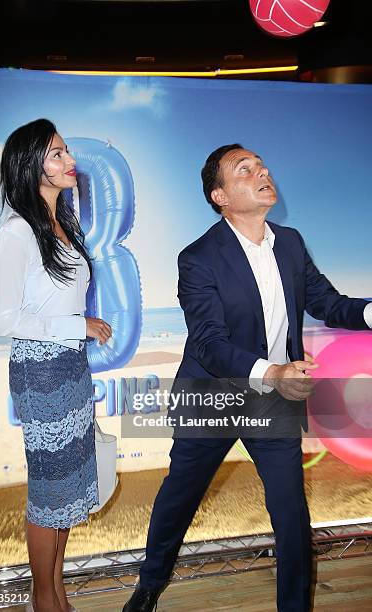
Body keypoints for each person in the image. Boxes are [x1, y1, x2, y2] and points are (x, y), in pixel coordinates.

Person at [123, 144, 372, 612]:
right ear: (220, 195)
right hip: (211, 394)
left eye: (261, 165)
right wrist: (273, 372)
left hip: (273, 400)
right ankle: (151, 582)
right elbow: (209, 342)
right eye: (245, 169)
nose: (262, 172)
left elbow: (328, 304)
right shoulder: (198, 257)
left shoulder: (292, 243)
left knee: (290, 512)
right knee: (181, 494)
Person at [0, 118, 112, 612]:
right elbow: (2, 321)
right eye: (57, 154)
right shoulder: (16, 233)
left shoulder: (61, 224)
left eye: (66, 152)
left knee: (65, 492)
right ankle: (44, 600)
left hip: (71, 368)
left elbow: (53, 301)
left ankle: (58, 593)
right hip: (40, 373)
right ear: (30, 166)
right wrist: (74, 327)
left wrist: (83, 323)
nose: (69, 161)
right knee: (49, 494)